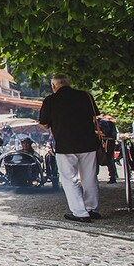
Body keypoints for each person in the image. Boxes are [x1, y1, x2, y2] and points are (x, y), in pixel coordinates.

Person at [39, 74, 100, 223]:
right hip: (88, 143)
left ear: (54, 86)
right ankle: (91, 208)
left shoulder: (50, 100)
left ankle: (80, 212)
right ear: (68, 83)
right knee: (90, 177)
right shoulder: (86, 95)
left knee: (69, 178)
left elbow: (44, 124)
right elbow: (94, 117)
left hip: (65, 144)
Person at [98, 115, 118, 183]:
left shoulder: (102, 122)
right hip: (105, 142)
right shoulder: (103, 122)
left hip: (106, 142)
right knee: (108, 159)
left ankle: (113, 176)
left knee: (108, 159)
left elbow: (104, 133)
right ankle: (113, 176)